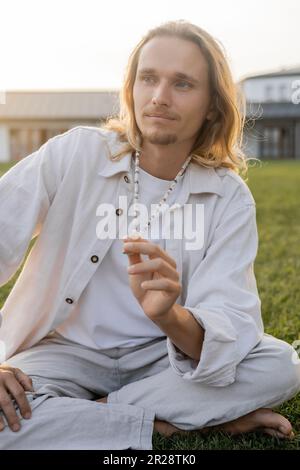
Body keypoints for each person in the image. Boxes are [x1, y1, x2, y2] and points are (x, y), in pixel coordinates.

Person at [0, 20, 299, 450]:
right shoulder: (77, 154)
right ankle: (170, 423)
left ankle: (102, 418)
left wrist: (168, 316)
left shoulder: (228, 197)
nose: (159, 97)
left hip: (164, 362)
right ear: (132, 88)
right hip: (63, 352)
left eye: (182, 83)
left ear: (213, 105)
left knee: (279, 365)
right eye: (149, 78)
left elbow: (231, 323)